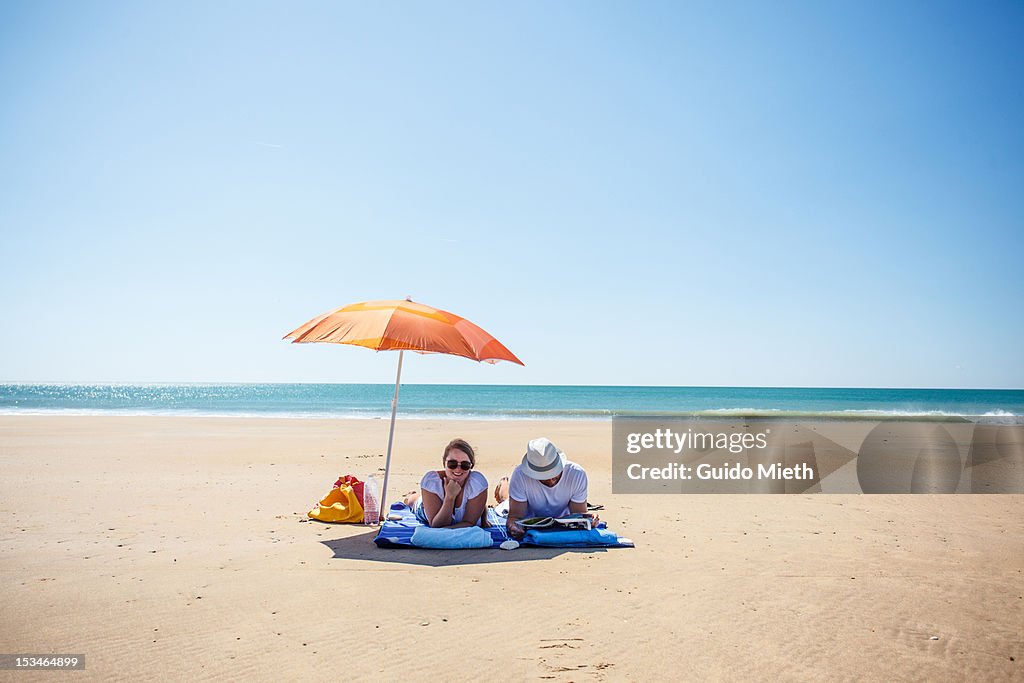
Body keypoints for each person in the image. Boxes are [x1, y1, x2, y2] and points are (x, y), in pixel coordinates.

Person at [495, 437, 597, 540]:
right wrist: (513, 526)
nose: (551, 480)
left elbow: (578, 515)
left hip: (562, 516)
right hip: (527, 511)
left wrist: (588, 520)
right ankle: (504, 484)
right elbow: (514, 517)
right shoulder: (520, 475)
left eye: (554, 473)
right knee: (506, 501)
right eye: (543, 477)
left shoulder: (576, 473)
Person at [402, 438, 488, 528]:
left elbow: (469, 523)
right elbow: (437, 525)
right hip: (424, 508)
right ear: (444, 463)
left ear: (471, 466)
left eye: (465, 465)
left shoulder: (477, 484)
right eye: (452, 464)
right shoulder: (432, 482)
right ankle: (411, 496)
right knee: (412, 501)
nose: (458, 469)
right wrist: (450, 497)